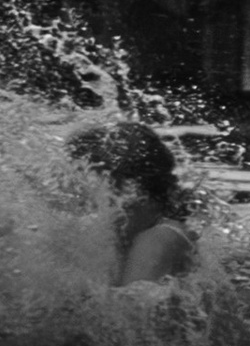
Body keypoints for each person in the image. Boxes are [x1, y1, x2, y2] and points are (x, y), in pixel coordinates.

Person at [65, 121, 199, 285]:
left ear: (129, 189)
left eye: (86, 179)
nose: (79, 196)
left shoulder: (159, 238)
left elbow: (130, 307)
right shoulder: (129, 240)